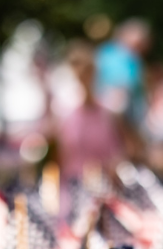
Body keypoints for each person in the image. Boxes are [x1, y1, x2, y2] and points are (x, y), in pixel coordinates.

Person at [55, 41, 125, 213]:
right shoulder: (65, 109)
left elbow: (119, 149)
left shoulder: (109, 106)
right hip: (75, 189)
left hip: (104, 190)